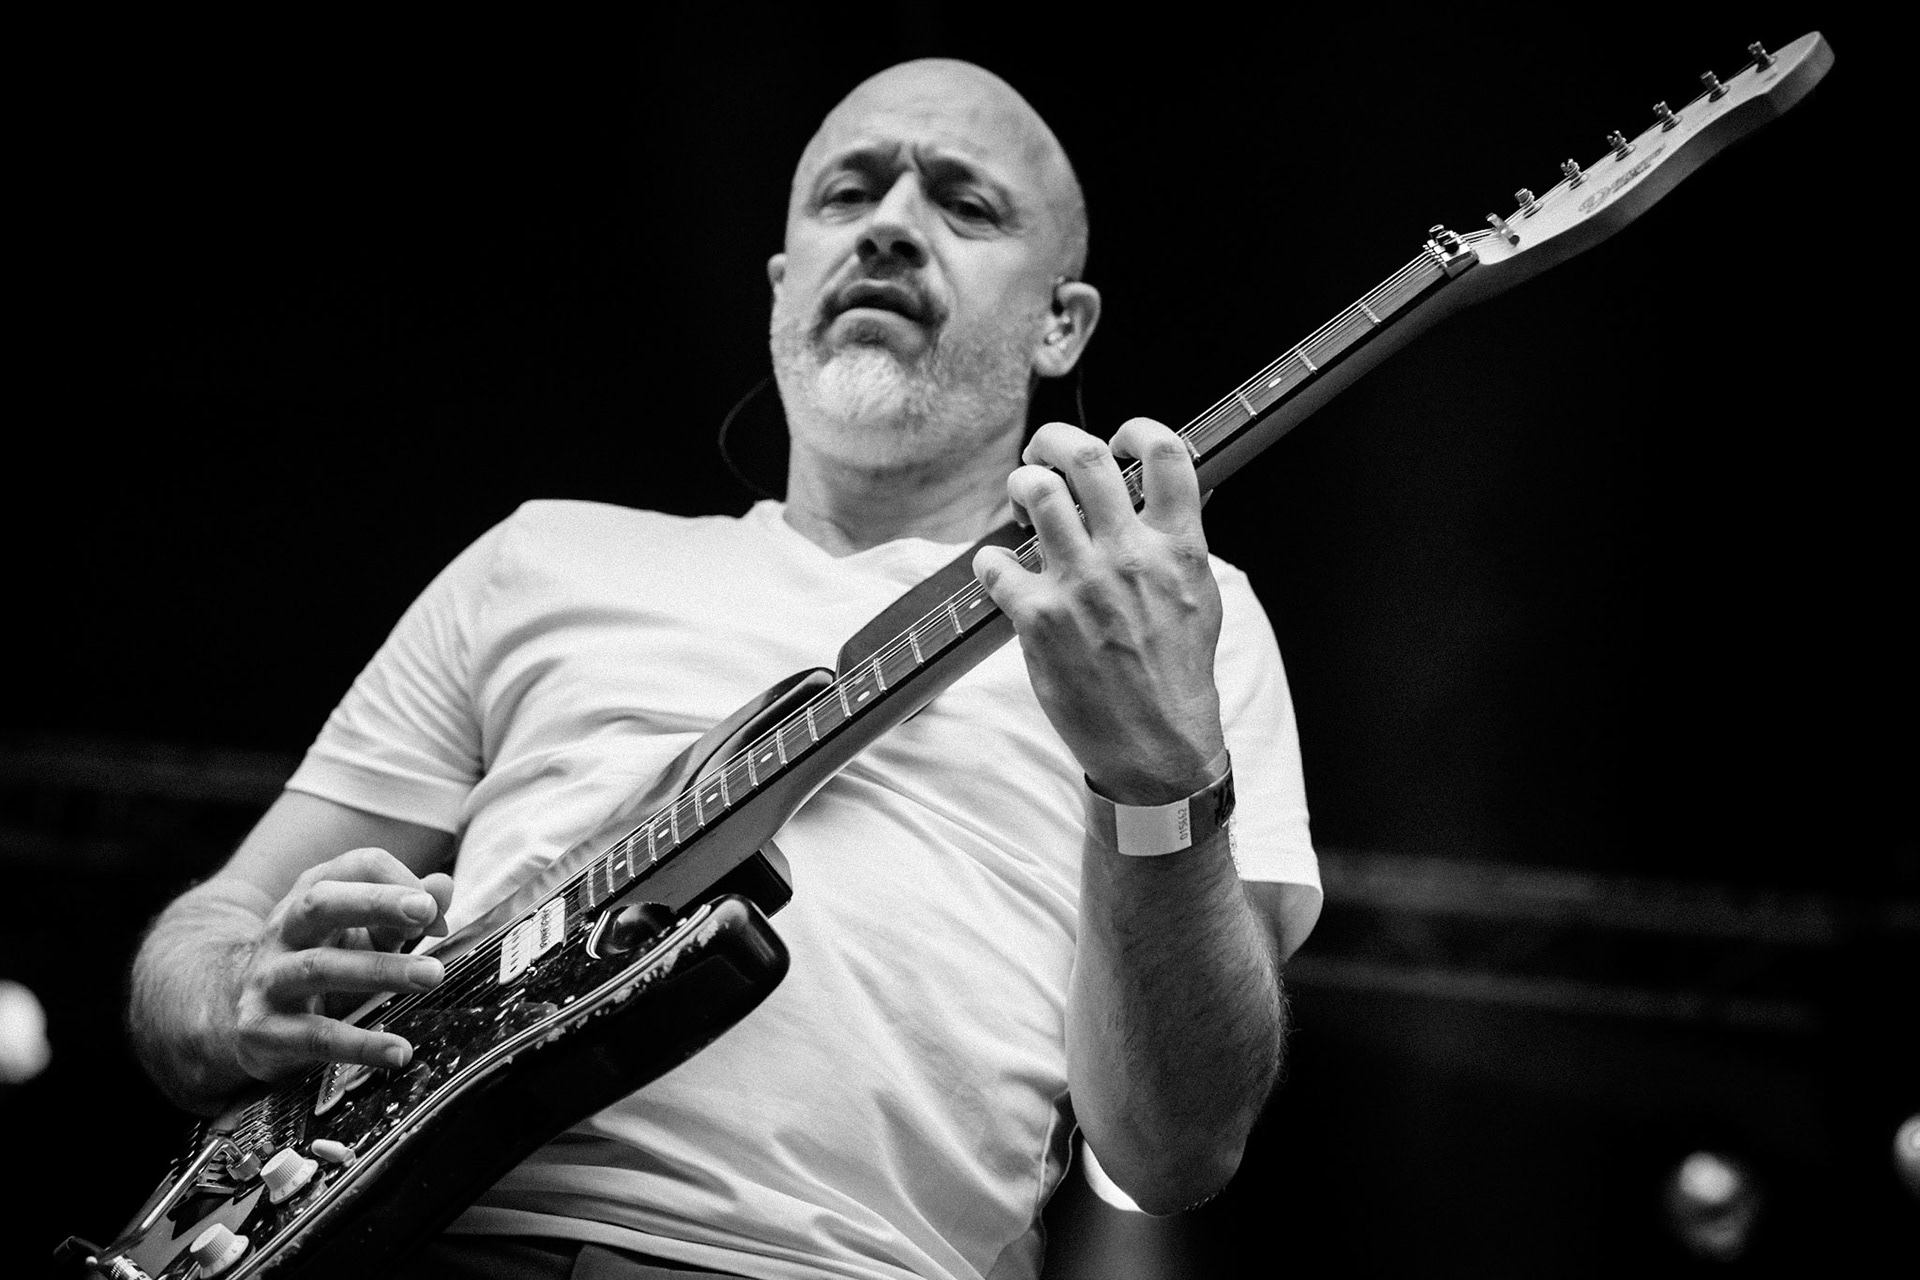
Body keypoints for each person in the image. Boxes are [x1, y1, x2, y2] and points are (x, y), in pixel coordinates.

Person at [128, 57, 1322, 1280]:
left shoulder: (1164, 606)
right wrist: (235, 992)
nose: (893, 226)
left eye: (965, 206)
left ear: (1061, 322)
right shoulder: (542, 554)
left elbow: (1176, 1149)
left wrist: (1155, 768)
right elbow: (199, 945)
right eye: (847, 195)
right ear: (782, 283)